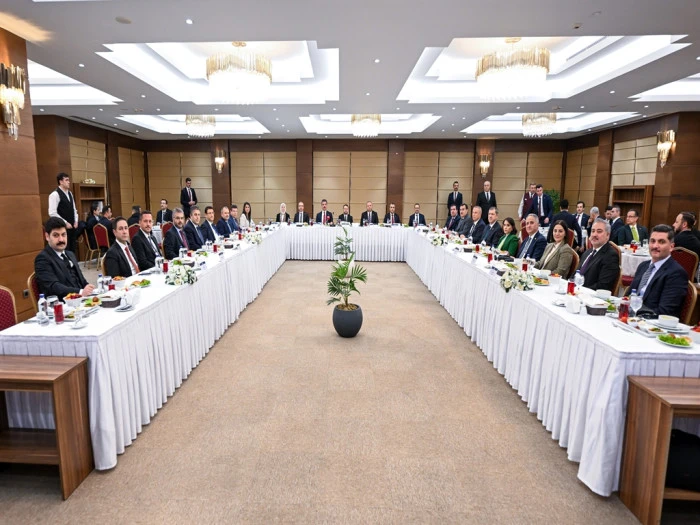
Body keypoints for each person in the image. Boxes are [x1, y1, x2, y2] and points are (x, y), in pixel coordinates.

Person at [629, 225, 688, 317]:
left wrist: (635, 313)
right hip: (630, 317)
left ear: (671, 247)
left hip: (651, 321)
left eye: (661, 242)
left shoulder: (676, 273)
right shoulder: (643, 266)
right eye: (652, 241)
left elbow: (665, 311)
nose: (655, 246)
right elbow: (629, 295)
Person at [34, 217, 95, 300]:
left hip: (82, 301)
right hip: (62, 304)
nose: (61, 239)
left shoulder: (70, 254)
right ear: (47, 236)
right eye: (56, 235)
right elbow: (53, 287)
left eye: (63, 234)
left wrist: (88, 288)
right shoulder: (43, 259)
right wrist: (80, 292)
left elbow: (82, 281)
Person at [576, 218, 620, 292]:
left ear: (607, 235)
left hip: (590, 296)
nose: (594, 234)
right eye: (593, 231)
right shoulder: (587, 253)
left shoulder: (610, 256)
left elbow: (603, 286)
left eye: (599, 231)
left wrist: (580, 290)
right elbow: (576, 274)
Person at [48, 172, 79, 254]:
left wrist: (76, 220)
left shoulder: (70, 193)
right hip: (62, 228)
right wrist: (65, 223)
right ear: (61, 182)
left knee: (72, 249)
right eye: (66, 180)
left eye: (69, 180)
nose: (69, 182)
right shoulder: (55, 194)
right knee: (65, 250)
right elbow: (52, 213)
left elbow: (74, 209)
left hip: (72, 227)